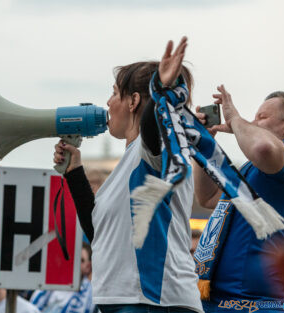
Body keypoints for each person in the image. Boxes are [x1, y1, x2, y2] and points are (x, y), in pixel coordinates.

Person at [53, 37, 202, 312]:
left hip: (154, 301)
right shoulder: (129, 163)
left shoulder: (152, 148)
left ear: (133, 101)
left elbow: (154, 125)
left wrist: (160, 91)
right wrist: (75, 172)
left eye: (113, 93)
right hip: (127, 300)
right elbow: (100, 234)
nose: (108, 102)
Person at [193, 88, 284, 309]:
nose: (253, 123)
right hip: (217, 301)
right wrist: (205, 142)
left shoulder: (280, 158)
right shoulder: (252, 168)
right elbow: (208, 197)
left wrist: (235, 119)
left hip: (257, 304)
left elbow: (263, 148)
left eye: (262, 117)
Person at [30, 243, 95, 313]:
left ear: (88, 266)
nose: (75, 263)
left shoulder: (91, 294)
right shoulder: (49, 283)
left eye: (81, 260)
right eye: (73, 257)